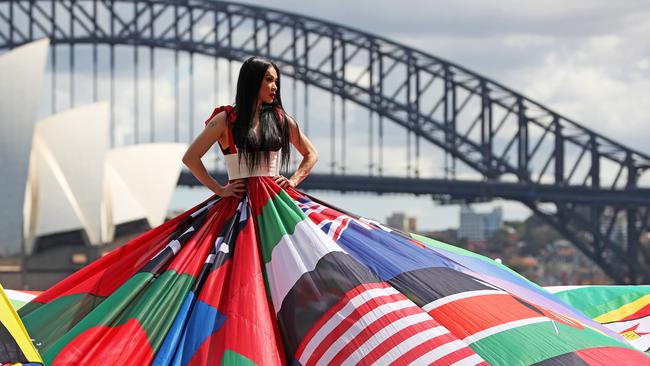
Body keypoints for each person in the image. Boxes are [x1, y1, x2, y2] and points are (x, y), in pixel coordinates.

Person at [17, 56, 650, 366]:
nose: (274, 87)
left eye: (275, 83)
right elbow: (190, 158)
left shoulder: (278, 120)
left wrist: (290, 179)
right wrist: (218, 190)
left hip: (280, 203)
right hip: (237, 209)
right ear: (250, 83)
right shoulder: (228, 120)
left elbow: (309, 153)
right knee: (223, 281)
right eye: (267, 81)